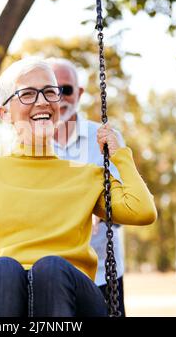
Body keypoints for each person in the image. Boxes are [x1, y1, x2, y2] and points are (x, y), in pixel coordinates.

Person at [0, 57, 157, 317]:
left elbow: (141, 211)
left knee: (52, 268)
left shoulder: (87, 176)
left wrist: (120, 154)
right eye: (27, 94)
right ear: (4, 112)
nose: (42, 101)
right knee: (4, 270)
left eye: (50, 92)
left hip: (68, 292)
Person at [46, 57, 126, 316]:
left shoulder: (103, 139)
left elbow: (126, 198)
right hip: (48, 276)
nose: (59, 98)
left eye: (66, 90)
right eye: (51, 91)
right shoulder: (30, 143)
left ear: (79, 93)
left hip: (103, 273)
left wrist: (99, 215)